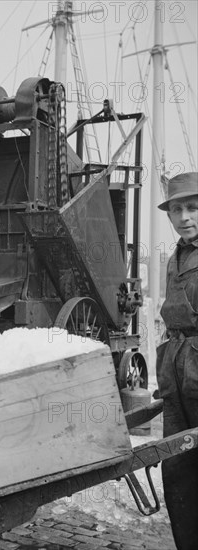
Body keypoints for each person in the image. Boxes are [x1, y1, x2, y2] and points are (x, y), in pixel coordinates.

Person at [156, 171, 198, 550]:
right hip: (176, 373)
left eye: (192, 207)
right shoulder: (175, 258)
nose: (185, 217)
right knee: (177, 467)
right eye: (177, 209)